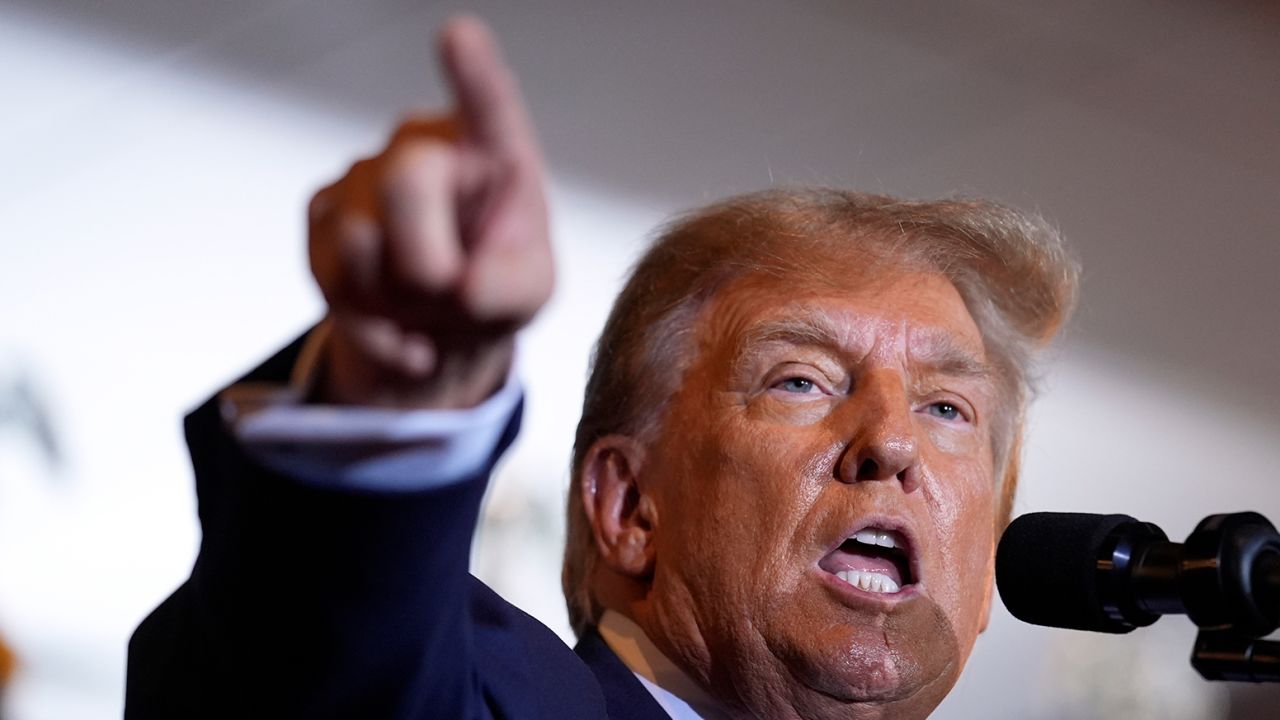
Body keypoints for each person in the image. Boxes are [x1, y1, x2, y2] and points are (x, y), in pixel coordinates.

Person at [126, 16, 1077, 720]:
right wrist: (401, 395)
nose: (892, 441)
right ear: (627, 509)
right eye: (802, 381)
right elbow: (323, 663)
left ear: (989, 565)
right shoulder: (501, 699)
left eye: (949, 407)